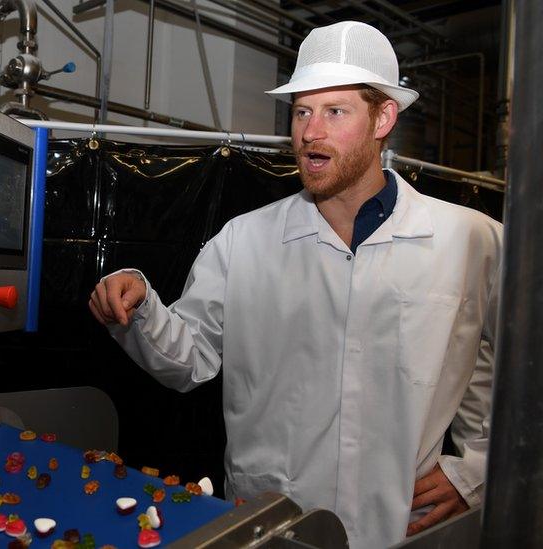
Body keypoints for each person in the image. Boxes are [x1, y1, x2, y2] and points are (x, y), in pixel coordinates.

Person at [89, 21, 499, 549]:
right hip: (271, 522)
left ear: (384, 118)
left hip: (401, 525)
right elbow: (189, 359)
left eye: (335, 111)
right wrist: (142, 307)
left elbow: (508, 372)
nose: (310, 132)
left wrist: (476, 471)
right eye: (302, 111)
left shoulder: (469, 240)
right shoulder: (245, 241)